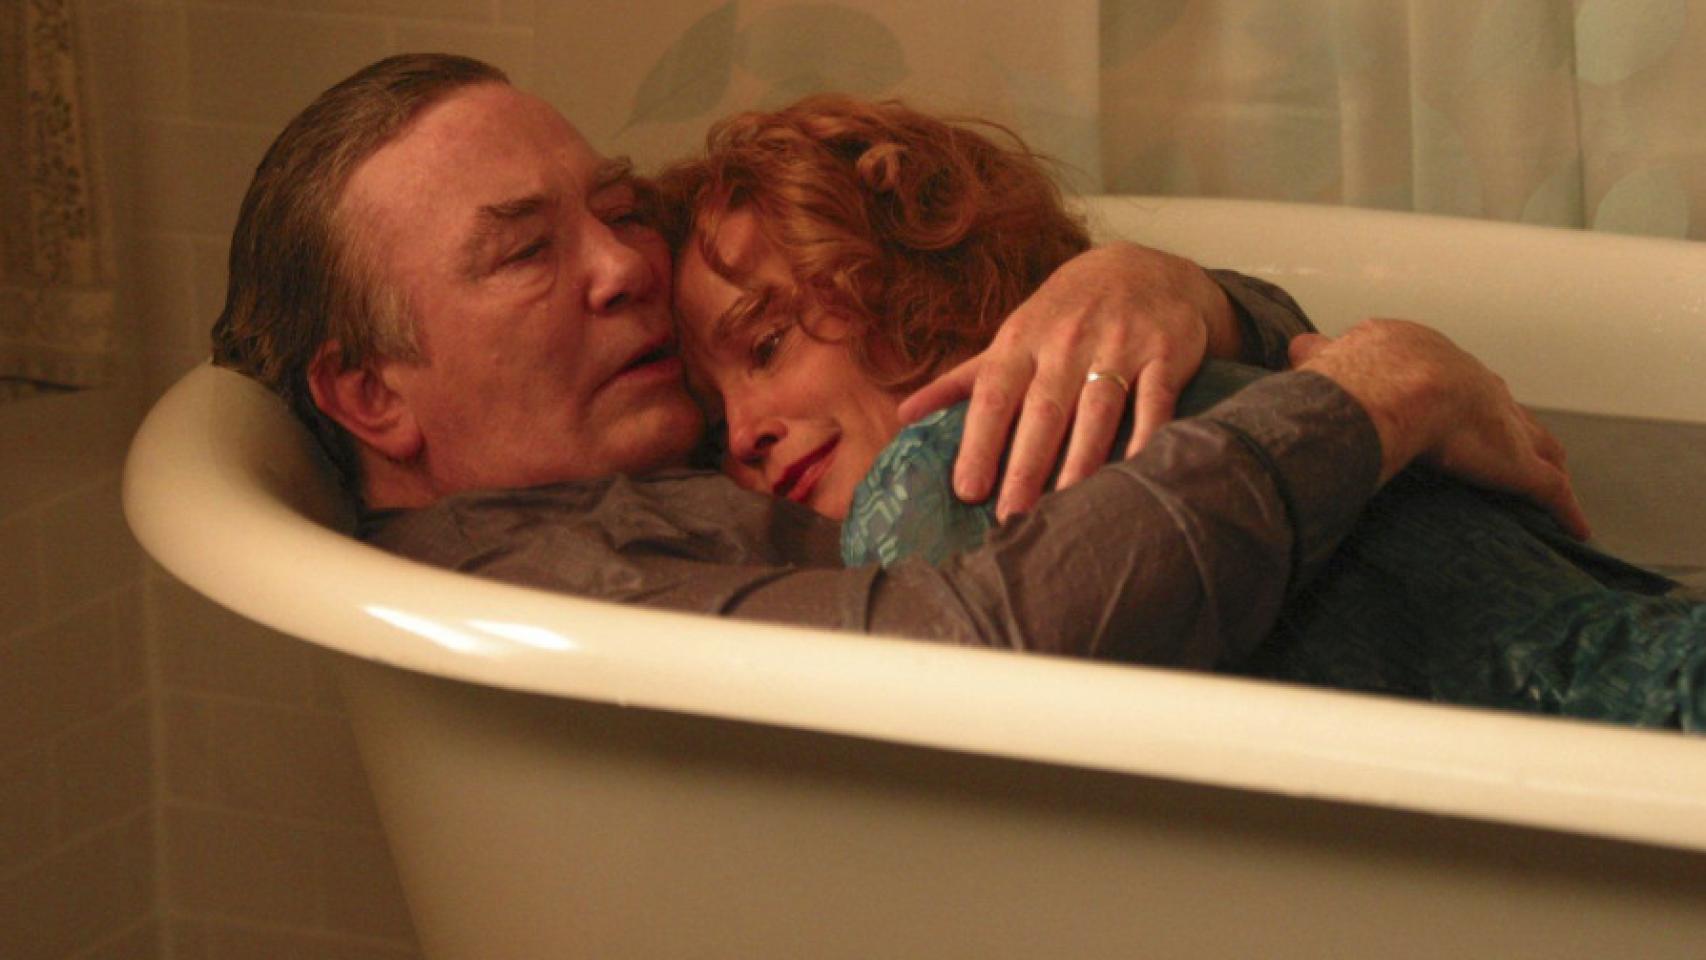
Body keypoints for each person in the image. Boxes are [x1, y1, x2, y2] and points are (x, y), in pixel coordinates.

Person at [208, 53, 1584, 677]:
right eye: (523, 251)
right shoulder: (539, 583)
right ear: (370, 394)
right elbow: (972, 659)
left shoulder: (663, 431)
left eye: (617, 209)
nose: (622, 263)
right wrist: (1380, 391)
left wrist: (1170, 293)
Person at [662, 95, 1706, 729]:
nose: (743, 433)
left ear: (903, 275)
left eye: (767, 346)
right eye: (713, 421)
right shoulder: (1221, 379)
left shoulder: (946, 471)